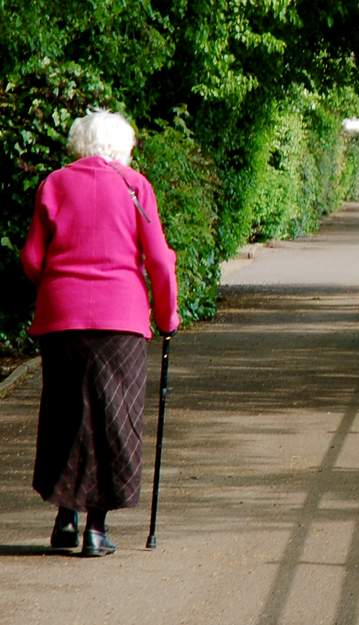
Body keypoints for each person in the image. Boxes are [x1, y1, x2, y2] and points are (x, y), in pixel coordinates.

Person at [20, 109, 179, 557]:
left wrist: (59, 286)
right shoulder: (134, 187)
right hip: (120, 320)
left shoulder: (54, 183)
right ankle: (96, 529)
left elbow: (32, 258)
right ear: (121, 147)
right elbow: (160, 260)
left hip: (62, 320)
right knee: (113, 417)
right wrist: (167, 317)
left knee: (65, 413)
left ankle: (65, 519)